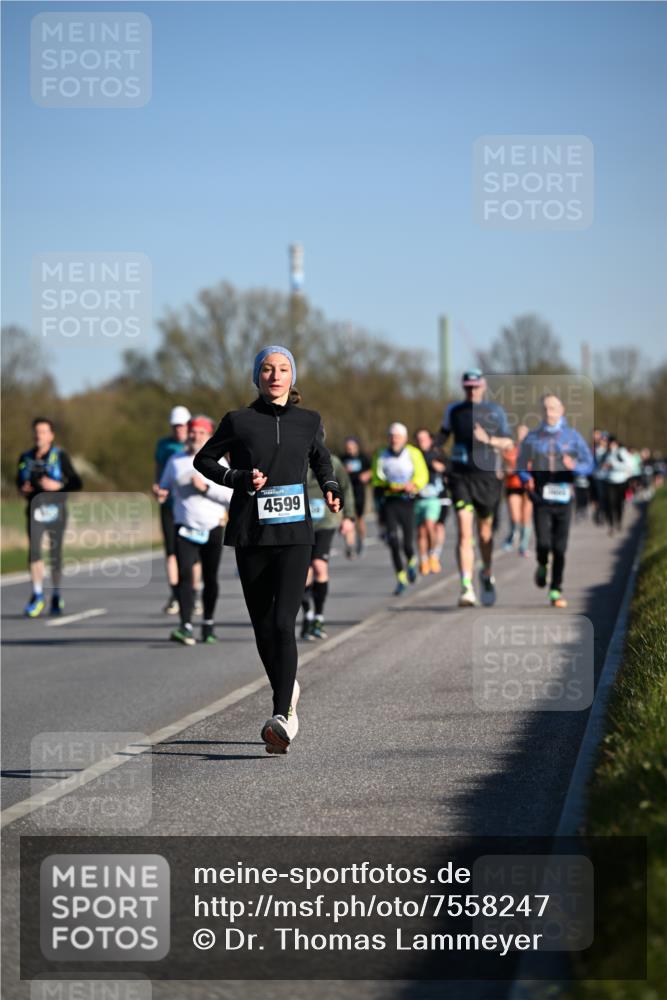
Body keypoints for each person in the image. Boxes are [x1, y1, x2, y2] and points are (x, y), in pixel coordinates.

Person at [193, 345, 343, 754]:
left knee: (282, 621)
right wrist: (238, 477)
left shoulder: (308, 420)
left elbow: (321, 461)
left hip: (295, 534)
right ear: (256, 376)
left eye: (282, 369)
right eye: (267, 369)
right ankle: (286, 687)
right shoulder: (238, 421)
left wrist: (331, 487)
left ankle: (283, 715)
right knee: (262, 626)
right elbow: (204, 460)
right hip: (251, 533)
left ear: (292, 377)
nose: (275, 376)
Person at [438, 369, 512, 607]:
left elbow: (508, 442)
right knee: (464, 530)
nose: (472, 391)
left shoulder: (495, 411)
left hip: (487, 478)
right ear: (463, 387)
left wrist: (488, 440)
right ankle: (466, 586)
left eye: (475, 386)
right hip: (460, 476)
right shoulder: (453, 410)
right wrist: (431, 454)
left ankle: (487, 572)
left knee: (485, 533)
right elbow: (441, 439)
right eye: (468, 387)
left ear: (483, 386)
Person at [158, 415, 232, 645]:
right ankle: (186, 625)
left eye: (201, 433)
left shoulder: (219, 462)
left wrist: (205, 488)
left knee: (210, 578)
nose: (195, 436)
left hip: (212, 527)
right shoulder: (175, 460)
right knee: (185, 576)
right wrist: (160, 492)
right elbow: (164, 486)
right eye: (192, 432)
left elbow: (231, 497)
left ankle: (208, 624)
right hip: (185, 527)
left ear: (209, 436)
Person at [517, 394, 594, 609]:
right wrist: (526, 478)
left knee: (560, 548)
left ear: (562, 410)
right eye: (545, 408)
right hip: (541, 497)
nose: (549, 413)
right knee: (543, 543)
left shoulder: (572, 436)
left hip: (564, 498)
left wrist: (574, 467)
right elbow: (520, 463)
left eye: (553, 408)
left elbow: (589, 464)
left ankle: (556, 589)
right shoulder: (533, 437)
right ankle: (542, 564)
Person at [16, 417, 82, 617]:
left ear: (51, 435)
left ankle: (56, 594)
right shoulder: (25, 457)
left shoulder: (60, 456)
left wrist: (58, 486)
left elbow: (77, 482)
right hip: (35, 510)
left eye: (43, 432)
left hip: (56, 510)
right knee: (34, 552)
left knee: (55, 554)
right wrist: (23, 488)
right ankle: (37, 595)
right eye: (37, 432)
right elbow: (18, 481)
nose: (39, 435)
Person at [302, 444, 356, 640]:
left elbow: (346, 488)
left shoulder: (333, 462)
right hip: (302, 522)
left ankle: (319, 616)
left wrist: (349, 516)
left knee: (319, 565)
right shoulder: (295, 458)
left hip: (326, 521)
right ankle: (307, 615)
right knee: (303, 573)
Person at [153, 405, 202, 616]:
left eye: (182, 426)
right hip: (169, 506)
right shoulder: (164, 446)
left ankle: (194, 593)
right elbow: (159, 473)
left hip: (191, 506)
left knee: (194, 555)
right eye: (175, 426)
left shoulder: (196, 444)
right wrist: (157, 488)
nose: (178, 430)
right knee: (171, 552)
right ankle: (176, 594)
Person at [371, 423, 429, 595]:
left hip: (408, 501)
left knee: (407, 543)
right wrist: (388, 484)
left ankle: (411, 561)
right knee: (393, 541)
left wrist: (414, 485)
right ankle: (400, 577)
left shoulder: (413, 453)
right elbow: (376, 477)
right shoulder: (381, 454)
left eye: (397, 436)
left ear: (404, 438)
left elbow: (422, 475)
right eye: (391, 436)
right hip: (390, 501)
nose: (394, 439)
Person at [413, 428, 447, 575]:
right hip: (419, 496)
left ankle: (434, 555)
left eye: (424, 438)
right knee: (421, 531)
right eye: (419, 439)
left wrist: (439, 467)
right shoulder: (413, 455)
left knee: (436, 526)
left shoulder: (438, 453)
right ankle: (424, 559)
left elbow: (448, 468)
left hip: (439, 496)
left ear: (431, 439)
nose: (422, 441)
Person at [501, 424, 533, 555]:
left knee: (526, 517)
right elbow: (505, 468)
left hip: (527, 486)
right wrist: (508, 470)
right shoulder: (510, 450)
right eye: (520, 432)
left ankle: (524, 546)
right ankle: (512, 536)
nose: (522, 435)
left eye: (524, 432)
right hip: (513, 485)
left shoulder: (532, 450)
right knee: (515, 517)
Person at [339, 437, 372, 557]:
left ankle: (362, 541)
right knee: (348, 518)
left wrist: (367, 475)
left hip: (359, 491)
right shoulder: (342, 459)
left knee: (359, 518)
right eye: (347, 447)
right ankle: (350, 545)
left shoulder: (363, 458)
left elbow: (372, 470)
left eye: (351, 446)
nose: (349, 449)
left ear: (356, 446)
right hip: (346, 491)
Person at [599, 436, 633, 535]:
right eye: (609, 444)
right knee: (610, 504)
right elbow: (601, 467)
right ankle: (611, 525)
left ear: (616, 443)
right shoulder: (605, 453)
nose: (610, 445)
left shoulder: (621, 452)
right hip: (609, 481)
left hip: (621, 481)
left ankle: (619, 521)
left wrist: (614, 465)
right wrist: (604, 467)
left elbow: (629, 465)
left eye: (612, 443)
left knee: (619, 504)